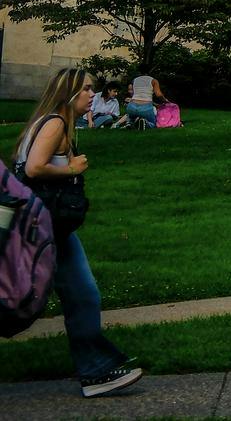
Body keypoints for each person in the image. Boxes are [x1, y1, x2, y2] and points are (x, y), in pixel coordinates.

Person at [14, 68, 144, 398]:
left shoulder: (53, 121)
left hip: (43, 226)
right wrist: (70, 168)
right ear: (69, 93)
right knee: (80, 295)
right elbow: (32, 168)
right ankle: (96, 371)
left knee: (77, 294)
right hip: (45, 226)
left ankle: (96, 368)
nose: (91, 94)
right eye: (86, 89)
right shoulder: (56, 123)